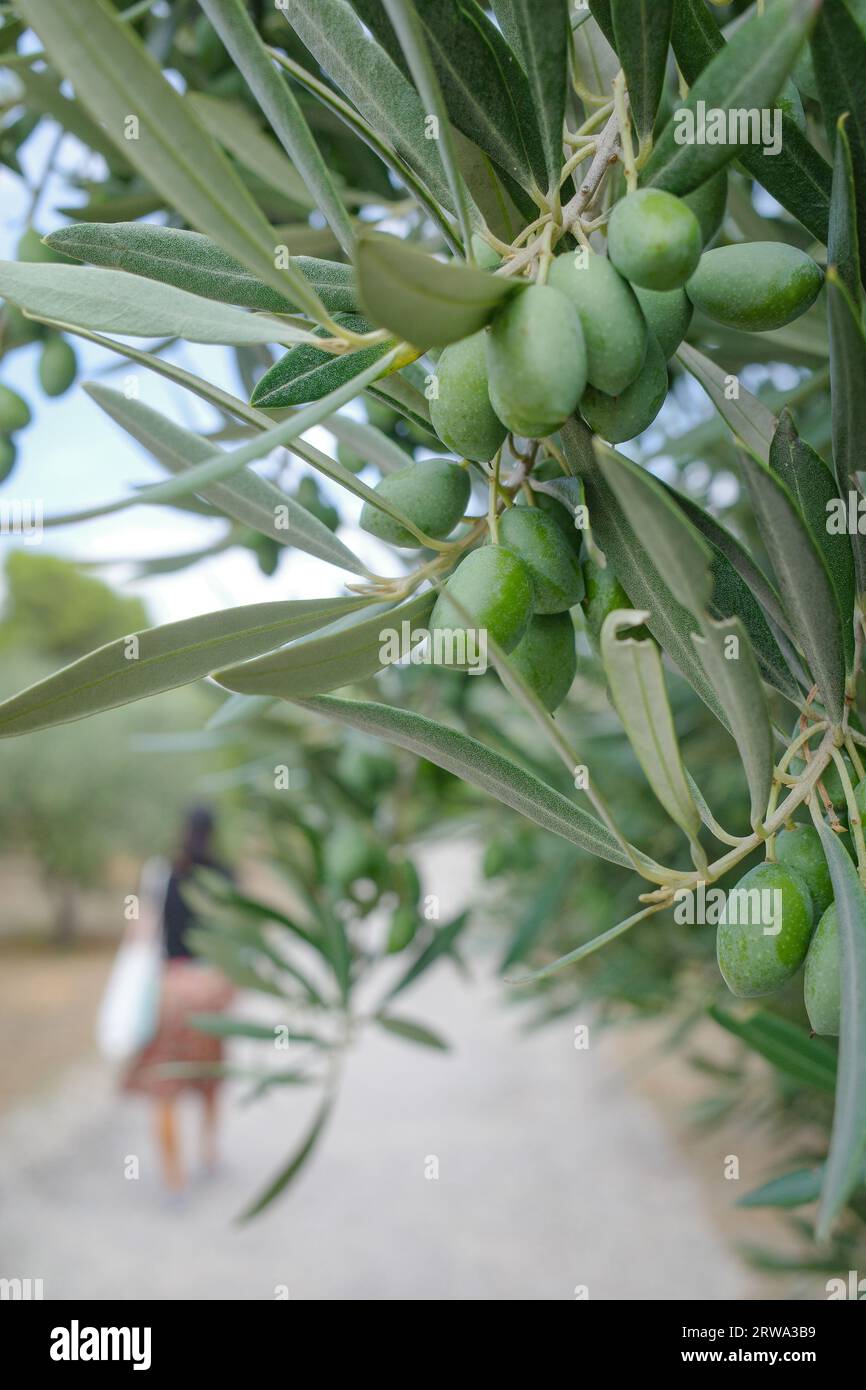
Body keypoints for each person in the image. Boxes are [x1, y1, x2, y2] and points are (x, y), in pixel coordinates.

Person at [122, 806, 234, 1193]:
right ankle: (208, 1151)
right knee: (210, 1079)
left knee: (165, 1086)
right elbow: (237, 936)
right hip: (211, 987)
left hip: (172, 988)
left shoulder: (165, 872)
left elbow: (142, 930)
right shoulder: (225, 875)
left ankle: (174, 1179)